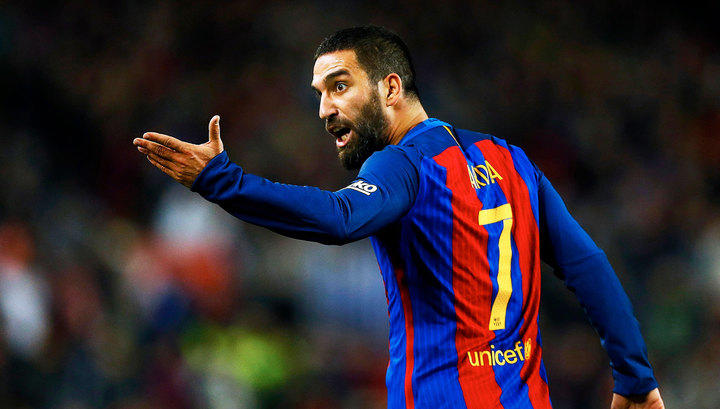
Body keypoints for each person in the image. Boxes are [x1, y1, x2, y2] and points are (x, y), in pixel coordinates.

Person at [133, 25, 664, 409]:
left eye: (339, 86)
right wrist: (636, 379)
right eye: (319, 94)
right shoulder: (511, 160)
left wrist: (220, 180)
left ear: (390, 87)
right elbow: (587, 265)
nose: (324, 109)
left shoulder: (404, 165)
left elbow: (340, 217)